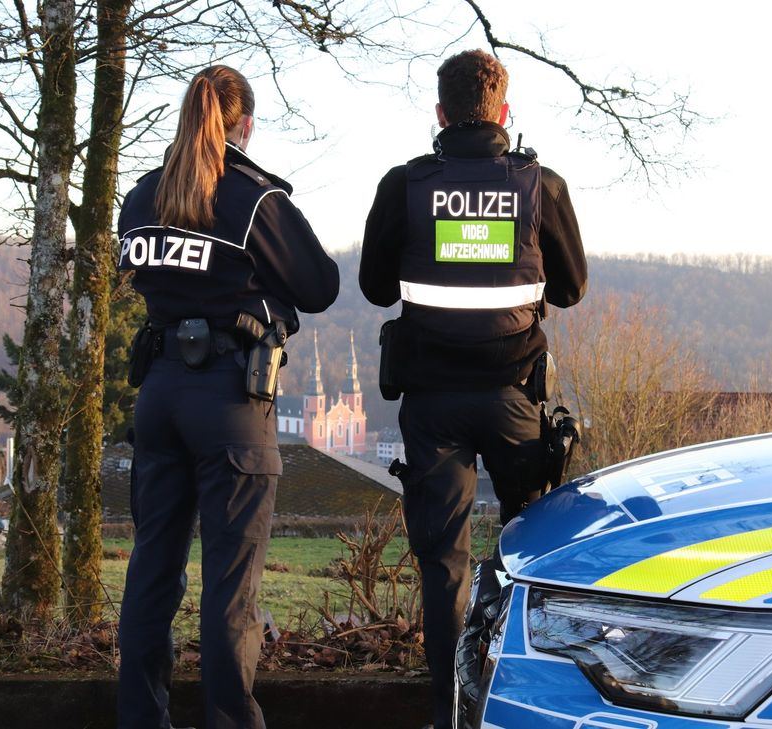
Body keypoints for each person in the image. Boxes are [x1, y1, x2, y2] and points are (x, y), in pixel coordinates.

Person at [359, 49, 587, 729]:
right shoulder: (539, 183)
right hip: (513, 395)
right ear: (503, 113)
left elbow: (374, 287)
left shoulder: (405, 185)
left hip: (431, 404)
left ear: (440, 113)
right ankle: (529, 703)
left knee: (444, 564)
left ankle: (449, 711)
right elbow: (571, 288)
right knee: (533, 552)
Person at [116, 65, 339, 729]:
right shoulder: (253, 201)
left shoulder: (140, 197)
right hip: (229, 402)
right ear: (244, 124)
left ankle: (140, 718)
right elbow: (321, 284)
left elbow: (140, 273)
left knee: (152, 570)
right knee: (228, 586)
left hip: (158, 395)